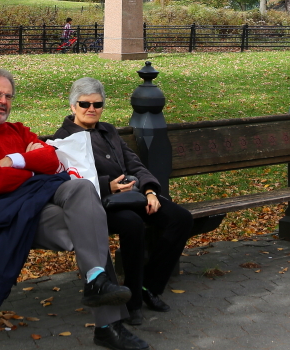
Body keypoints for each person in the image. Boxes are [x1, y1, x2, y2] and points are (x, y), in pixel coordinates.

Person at [0, 68, 150, 350]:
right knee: (90, 225)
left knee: (83, 190)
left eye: (8, 96)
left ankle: (96, 280)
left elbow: (51, 159)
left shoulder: (18, 130)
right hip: (6, 216)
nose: (3, 101)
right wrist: (33, 169)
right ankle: (109, 325)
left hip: (37, 201)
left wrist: (16, 160)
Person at [53, 77, 194, 326]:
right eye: (85, 104)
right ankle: (132, 302)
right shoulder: (63, 138)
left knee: (181, 219)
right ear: (73, 106)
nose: (91, 109)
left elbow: (133, 163)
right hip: (99, 203)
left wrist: (150, 191)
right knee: (132, 225)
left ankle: (148, 286)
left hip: (133, 195)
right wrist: (107, 185)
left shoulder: (108, 130)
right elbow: (69, 179)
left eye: (97, 104)